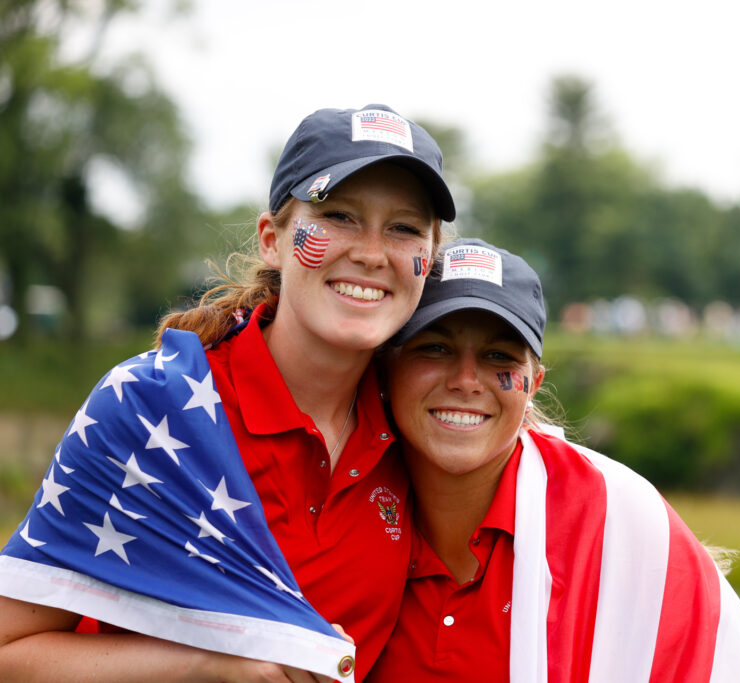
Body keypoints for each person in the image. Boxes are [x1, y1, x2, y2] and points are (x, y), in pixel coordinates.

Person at [0, 104, 456, 682]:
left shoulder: (422, 427)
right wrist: (207, 666)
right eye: (339, 216)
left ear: (427, 260)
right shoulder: (145, 404)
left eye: (404, 228)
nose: (370, 253)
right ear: (272, 239)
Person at [367, 238, 740, 682]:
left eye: (498, 357)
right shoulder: (337, 507)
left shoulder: (621, 516)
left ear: (534, 383)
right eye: (435, 348)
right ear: (386, 369)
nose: (466, 380)